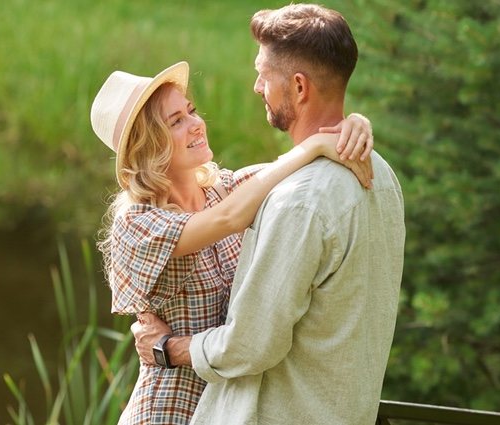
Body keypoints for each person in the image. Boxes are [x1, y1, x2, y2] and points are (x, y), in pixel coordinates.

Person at [132, 4, 406, 425]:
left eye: (264, 74)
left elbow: (251, 345)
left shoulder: (296, 202)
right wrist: (349, 125)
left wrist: (171, 347)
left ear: (298, 87)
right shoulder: (381, 174)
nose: (257, 86)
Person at [90, 60, 374, 424]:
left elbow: (282, 170)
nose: (195, 125)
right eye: (176, 121)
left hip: (231, 409)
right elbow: (228, 219)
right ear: (147, 147)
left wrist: (353, 126)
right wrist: (315, 145)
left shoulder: (223, 190)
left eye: (191, 111)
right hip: (171, 411)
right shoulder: (138, 224)